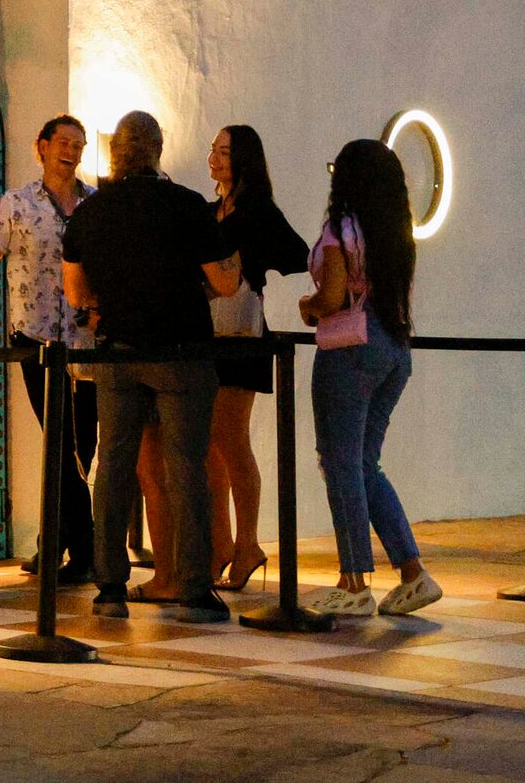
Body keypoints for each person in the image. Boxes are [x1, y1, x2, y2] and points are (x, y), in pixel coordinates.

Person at [58, 111, 241, 624]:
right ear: (158, 148)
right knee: (186, 467)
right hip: (181, 352)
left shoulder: (89, 214)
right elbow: (224, 284)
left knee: (113, 467)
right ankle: (194, 589)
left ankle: (110, 588)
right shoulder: (185, 205)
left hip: (116, 350)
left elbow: (76, 292)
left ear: (114, 152)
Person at [298, 138, 441, 620]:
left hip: (349, 350)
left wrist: (308, 306)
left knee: (339, 462)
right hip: (393, 348)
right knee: (364, 463)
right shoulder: (395, 230)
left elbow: (334, 296)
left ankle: (352, 579)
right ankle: (412, 570)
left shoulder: (341, 228)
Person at [0, 113, 96, 583]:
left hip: (87, 342)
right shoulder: (16, 204)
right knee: (59, 438)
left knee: (82, 444)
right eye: (62, 141)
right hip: (36, 339)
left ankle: (58, 545)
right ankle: (81, 550)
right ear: (40, 146)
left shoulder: (96, 204)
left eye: (78, 144)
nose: (71, 151)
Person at [201, 125, 309, 592]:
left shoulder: (257, 209)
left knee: (231, 437)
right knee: (208, 443)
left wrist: (250, 259)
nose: (215, 158)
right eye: (213, 150)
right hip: (207, 327)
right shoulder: (211, 210)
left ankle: (247, 543)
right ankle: (221, 542)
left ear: (244, 158)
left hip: (241, 327)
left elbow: (298, 254)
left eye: (225, 152)